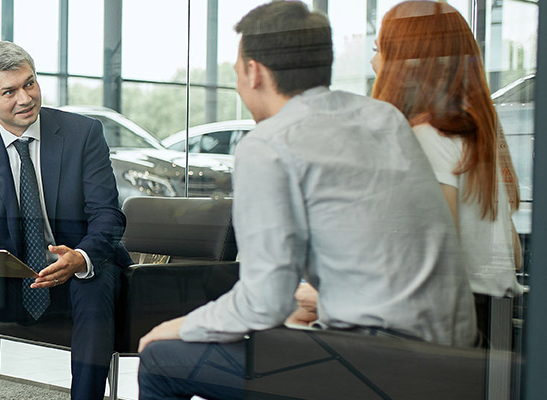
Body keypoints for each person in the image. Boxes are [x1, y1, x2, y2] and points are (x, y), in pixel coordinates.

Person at [136, 2, 476, 399]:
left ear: (254, 72)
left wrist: (175, 327)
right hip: (454, 354)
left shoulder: (270, 144)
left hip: (373, 365)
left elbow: (263, 302)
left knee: (161, 357)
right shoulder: (383, 118)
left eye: (236, 73)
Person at [0, 41, 132, 400]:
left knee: (93, 284)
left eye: (30, 83)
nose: (25, 98)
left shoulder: (83, 134)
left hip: (83, 271)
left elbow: (108, 217)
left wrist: (80, 258)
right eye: (9, 91)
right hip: (18, 277)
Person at [371, 0, 524, 343]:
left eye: (380, 50)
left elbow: (432, 261)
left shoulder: (426, 138)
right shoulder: (475, 138)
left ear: (405, 64)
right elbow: (511, 253)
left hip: (450, 324)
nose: (373, 62)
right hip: (491, 317)